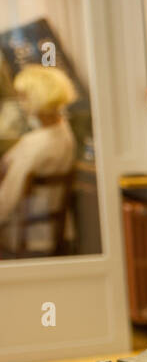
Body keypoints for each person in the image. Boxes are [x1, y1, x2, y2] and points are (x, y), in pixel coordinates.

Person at [0, 64, 78, 256]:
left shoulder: (36, 146)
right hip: (57, 234)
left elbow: (6, 201)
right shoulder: (65, 135)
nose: (20, 102)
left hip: (27, 237)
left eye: (23, 96)